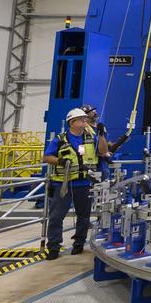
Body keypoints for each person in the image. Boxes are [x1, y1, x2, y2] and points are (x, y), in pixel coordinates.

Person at [43, 107, 111, 260]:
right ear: (72, 122)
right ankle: (53, 247)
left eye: (85, 119)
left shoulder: (91, 138)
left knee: (84, 216)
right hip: (63, 184)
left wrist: (101, 135)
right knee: (56, 216)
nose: (85, 121)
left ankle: (79, 243)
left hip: (84, 184)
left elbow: (103, 151)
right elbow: (47, 157)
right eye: (82, 119)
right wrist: (60, 161)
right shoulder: (60, 139)